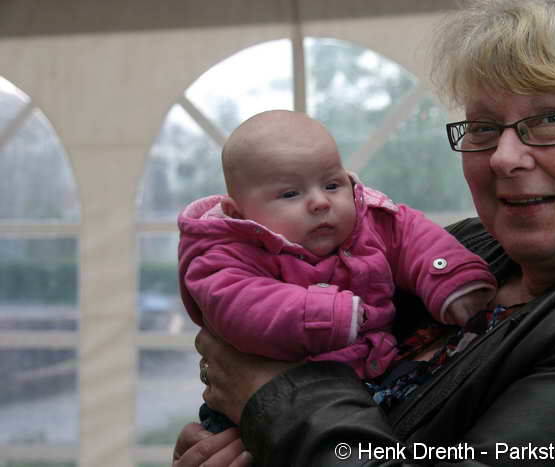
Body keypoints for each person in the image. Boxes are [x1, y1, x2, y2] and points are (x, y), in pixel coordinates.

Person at [173, 0, 555, 465]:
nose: (504, 157)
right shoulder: (471, 248)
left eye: (551, 120)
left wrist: (274, 399)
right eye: (484, 127)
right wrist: (243, 442)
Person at [177, 110, 497, 431]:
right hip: (261, 409)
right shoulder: (225, 253)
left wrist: (451, 278)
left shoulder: (366, 220)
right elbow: (240, 305)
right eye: (290, 193)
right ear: (238, 213)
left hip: (364, 383)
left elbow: (409, 235)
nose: (320, 202)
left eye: (332, 185)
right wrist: (327, 314)